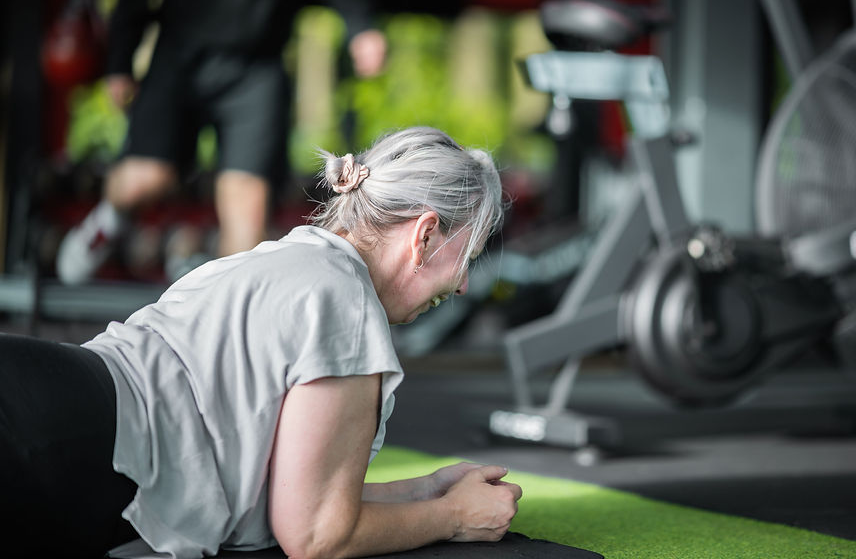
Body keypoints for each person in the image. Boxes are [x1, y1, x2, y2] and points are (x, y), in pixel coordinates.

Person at [1, 127, 519, 558]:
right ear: (424, 235)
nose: (464, 285)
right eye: (467, 258)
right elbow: (315, 536)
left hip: (45, 400)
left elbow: (292, 495)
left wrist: (424, 489)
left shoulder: (290, 258)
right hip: (49, 444)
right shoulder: (347, 300)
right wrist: (453, 516)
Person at [56, 0, 388, 285]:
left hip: (257, 68)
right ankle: (106, 224)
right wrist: (120, 62)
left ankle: (226, 313)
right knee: (142, 180)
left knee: (248, 212)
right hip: (178, 58)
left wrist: (361, 26)